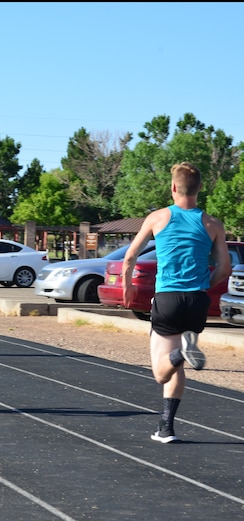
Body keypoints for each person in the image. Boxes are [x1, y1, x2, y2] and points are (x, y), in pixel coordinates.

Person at [122, 161, 231, 443]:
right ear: (199, 189)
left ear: (173, 187)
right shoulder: (212, 223)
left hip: (168, 298)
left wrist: (127, 287)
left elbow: (130, 257)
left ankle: (179, 353)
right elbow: (224, 268)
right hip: (197, 301)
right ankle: (166, 428)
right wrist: (205, 285)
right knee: (177, 369)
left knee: (161, 371)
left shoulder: (157, 218)